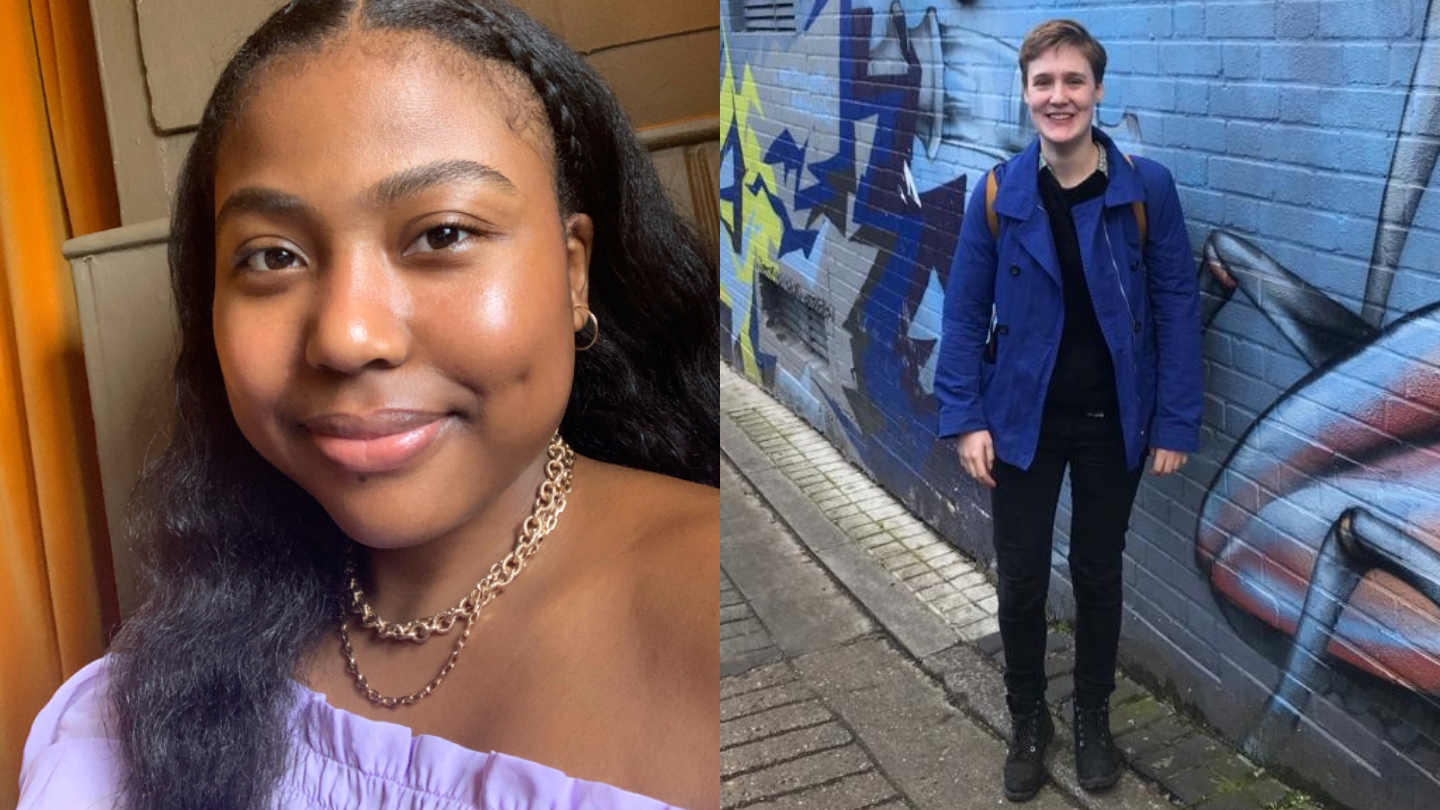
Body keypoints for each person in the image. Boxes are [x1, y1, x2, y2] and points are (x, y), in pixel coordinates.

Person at [18, 1, 719, 808]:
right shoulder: (159, 679)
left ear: (573, 272)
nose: (347, 337)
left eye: (443, 235)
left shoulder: (722, 614)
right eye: (272, 255)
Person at [935, 19, 1202, 803]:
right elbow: (963, 311)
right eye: (1044, 83)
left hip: (1112, 421)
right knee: (1019, 581)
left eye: (1073, 82)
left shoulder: (1145, 190)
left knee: (1096, 575)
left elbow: (1177, 303)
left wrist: (1176, 420)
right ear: (1025, 94)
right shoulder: (999, 195)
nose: (1059, 97)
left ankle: (1091, 718)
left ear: (1098, 91)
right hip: (1021, 422)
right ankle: (1028, 719)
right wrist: (965, 415)